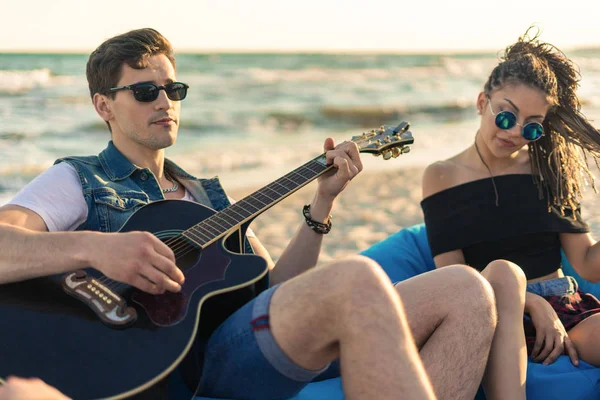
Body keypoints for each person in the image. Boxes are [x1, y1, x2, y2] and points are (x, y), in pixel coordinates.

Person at [0, 28, 497, 400]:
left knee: (466, 288)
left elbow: (279, 288)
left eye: (173, 90)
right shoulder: (80, 179)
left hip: (247, 341)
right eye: (146, 91)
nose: (165, 102)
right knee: (357, 278)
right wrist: (97, 246)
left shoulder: (208, 195)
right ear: (103, 106)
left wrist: (322, 203)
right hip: (169, 358)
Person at [421, 27, 600, 400]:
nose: (516, 132)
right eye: (507, 116)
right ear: (482, 101)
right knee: (505, 271)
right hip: (497, 311)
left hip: (567, 309)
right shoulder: (441, 176)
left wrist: (547, 304)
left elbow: (587, 264)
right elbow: (454, 277)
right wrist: (530, 303)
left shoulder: (548, 170)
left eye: (532, 126)